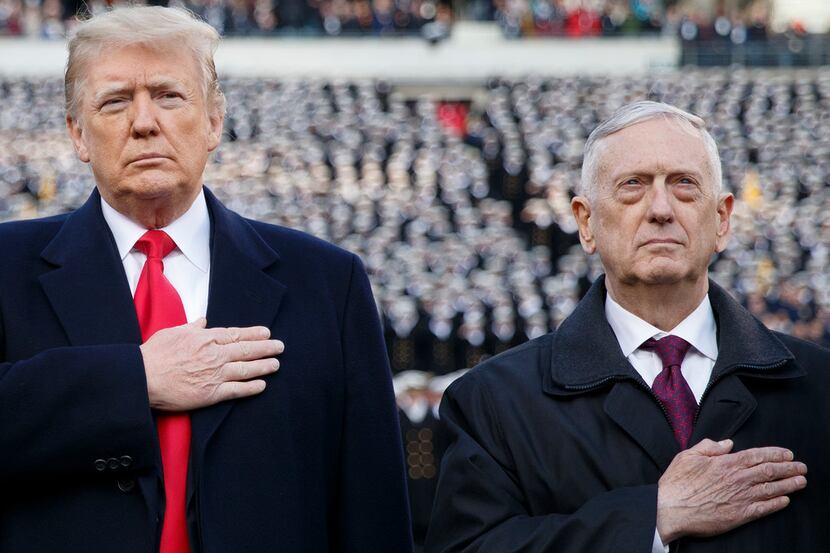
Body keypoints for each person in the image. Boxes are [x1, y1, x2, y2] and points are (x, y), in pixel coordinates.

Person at [0, 6, 412, 553]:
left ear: (215, 121)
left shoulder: (328, 283)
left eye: (169, 95)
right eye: (115, 100)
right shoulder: (7, 268)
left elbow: (372, 513)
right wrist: (134, 381)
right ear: (78, 135)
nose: (144, 121)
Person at [425, 101, 830, 552]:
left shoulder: (820, 386)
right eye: (633, 185)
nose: (661, 209)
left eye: (684, 184)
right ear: (586, 222)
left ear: (721, 220)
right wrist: (653, 518)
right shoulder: (493, 402)